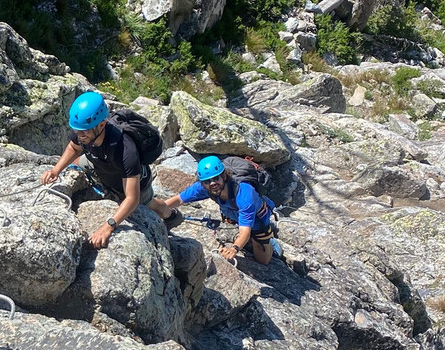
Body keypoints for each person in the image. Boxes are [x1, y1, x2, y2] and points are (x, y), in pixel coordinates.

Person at [40, 91, 183, 248]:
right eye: (77, 131)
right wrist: (56, 170)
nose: (80, 135)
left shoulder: (125, 149)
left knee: (148, 204)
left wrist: (108, 226)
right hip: (102, 165)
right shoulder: (85, 130)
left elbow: (132, 198)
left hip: (135, 183)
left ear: (101, 125)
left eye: (84, 131)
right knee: (78, 162)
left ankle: (171, 215)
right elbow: (73, 148)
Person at [162, 156, 277, 265]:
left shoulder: (245, 195)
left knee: (263, 260)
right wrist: (157, 209)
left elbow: (245, 231)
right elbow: (178, 200)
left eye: (216, 178)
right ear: (202, 183)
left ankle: (270, 241)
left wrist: (234, 248)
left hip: (257, 218)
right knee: (241, 236)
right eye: (207, 181)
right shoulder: (203, 187)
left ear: (224, 176)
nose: (212, 183)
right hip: (233, 214)